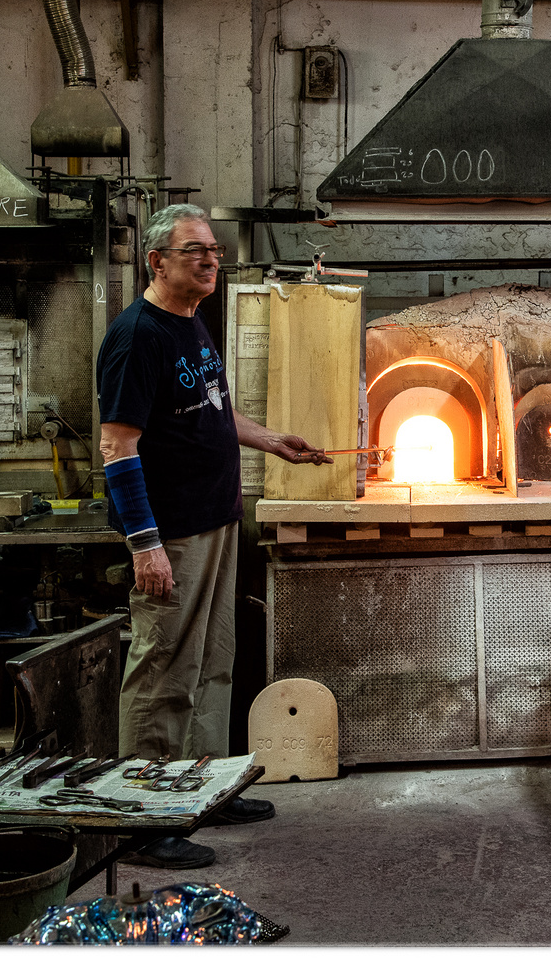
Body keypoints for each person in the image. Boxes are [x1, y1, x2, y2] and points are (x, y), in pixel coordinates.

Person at [97, 203, 331, 868]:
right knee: (163, 670)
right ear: (157, 261)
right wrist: (144, 544)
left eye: (214, 252)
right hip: (172, 534)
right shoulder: (136, 336)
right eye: (194, 250)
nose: (209, 260)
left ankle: (204, 789)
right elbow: (118, 446)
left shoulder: (192, 324)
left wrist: (272, 441)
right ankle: (145, 820)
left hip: (217, 521)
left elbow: (213, 412)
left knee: (213, 665)